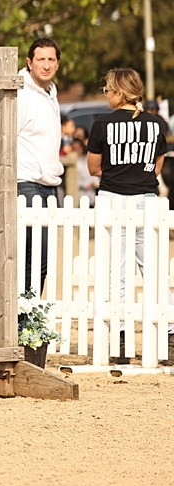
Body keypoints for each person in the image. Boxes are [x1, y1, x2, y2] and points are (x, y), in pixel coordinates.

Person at [87, 69, 171, 364]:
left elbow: (94, 168)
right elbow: (158, 163)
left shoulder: (102, 124)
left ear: (120, 93)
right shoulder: (156, 123)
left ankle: (120, 340)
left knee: (116, 273)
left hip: (113, 198)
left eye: (108, 90)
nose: (106, 95)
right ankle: (170, 334)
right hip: (146, 201)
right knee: (155, 271)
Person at [16, 37, 63, 294]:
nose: (46, 65)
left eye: (51, 59)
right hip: (27, 184)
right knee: (33, 256)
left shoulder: (50, 94)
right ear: (29, 62)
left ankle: (27, 316)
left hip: (49, 186)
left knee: (41, 259)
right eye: (41, 59)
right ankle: (21, 318)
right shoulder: (21, 95)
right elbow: (0, 136)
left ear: (57, 63)